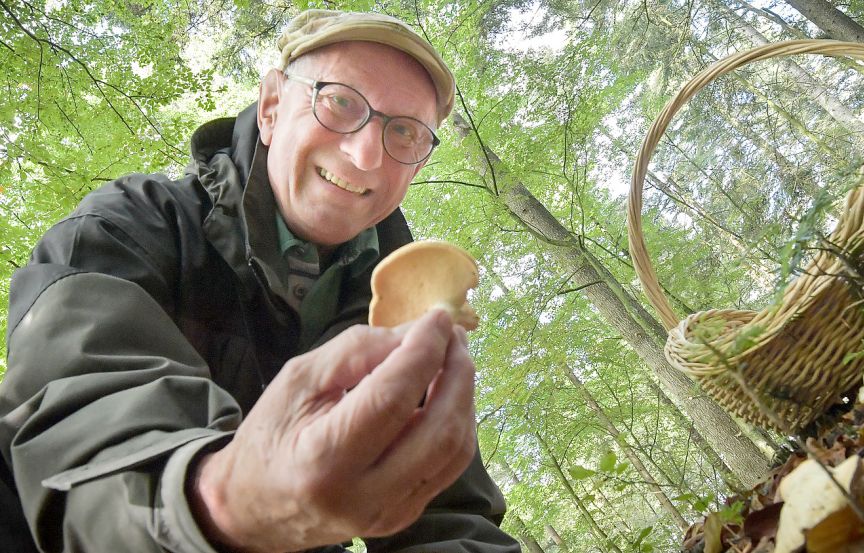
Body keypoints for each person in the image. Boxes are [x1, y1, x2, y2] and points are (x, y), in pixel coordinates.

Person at [0, 9, 520, 553]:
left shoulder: (405, 316)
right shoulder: (128, 226)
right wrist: (226, 501)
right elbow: (73, 429)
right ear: (271, 107)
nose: (365, 154)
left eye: (405, 133)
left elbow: (449, 517)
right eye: (341, 101)